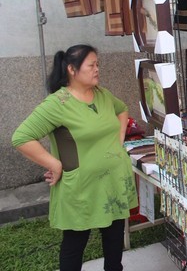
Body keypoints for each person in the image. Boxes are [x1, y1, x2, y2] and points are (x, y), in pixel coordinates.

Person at [12, 45, 138, 271]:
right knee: (75, 243)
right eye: (92, 65)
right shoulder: (57, 104)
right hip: (82, 187)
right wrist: (54, 164)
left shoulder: (102, 94)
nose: (97, 69)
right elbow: (21, 137)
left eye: (98, 64)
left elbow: (122, 110)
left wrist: (118, 139)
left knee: (114, 238)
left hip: (113, 183)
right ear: (72, 69)